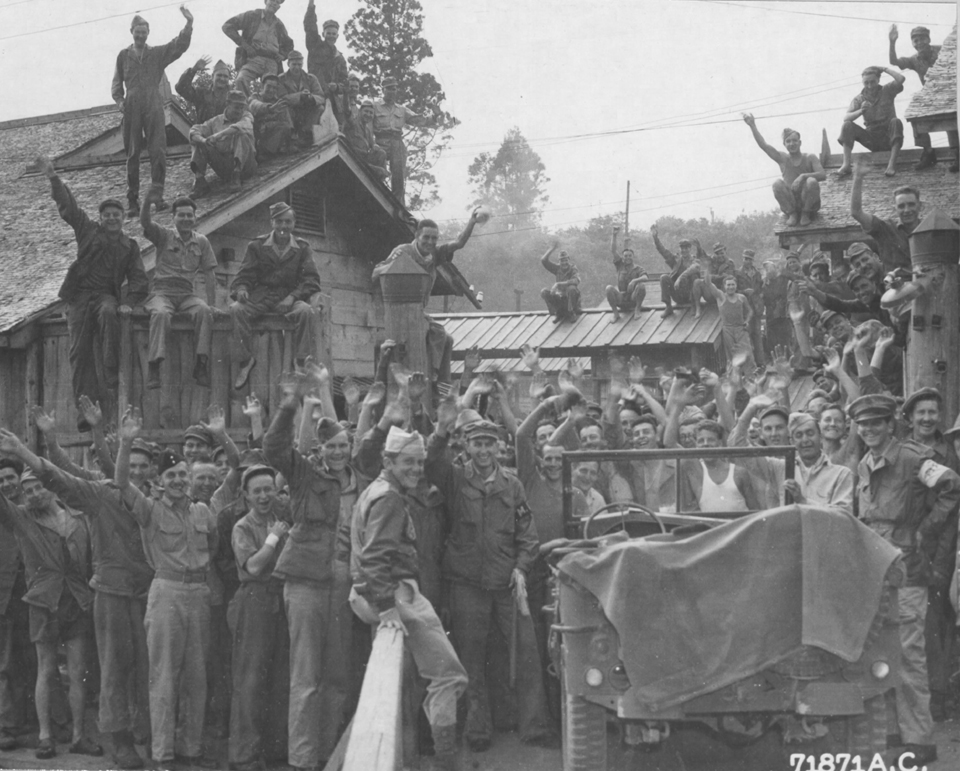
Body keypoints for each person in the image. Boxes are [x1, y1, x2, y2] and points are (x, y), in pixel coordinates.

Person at [20, 408, 154, 769]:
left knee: (148, 669)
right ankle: (118, 739)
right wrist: (44, 440)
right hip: (112, 593)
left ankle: (148, 734)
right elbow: (62, 475)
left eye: (144, 465)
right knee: (114, 669)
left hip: (149, 594)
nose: (137, 471)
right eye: (132, 463)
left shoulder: (155, 501)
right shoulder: (100, 493)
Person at [426, 413, 555, 752]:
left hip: (507, 583)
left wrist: (522, 568)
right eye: (477, 443)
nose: (483, 450)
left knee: (526, 653)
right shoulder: (455, 479)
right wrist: (441, 429)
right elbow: (430, 460)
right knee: (471, 656)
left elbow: (528, 535)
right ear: (467, 446)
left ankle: (534, 726)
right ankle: (477, 727)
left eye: (489, 444)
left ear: (499, 447)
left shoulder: (512, 485)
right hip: (467, 584)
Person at [849, 393, 960, 766]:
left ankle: (920, 739)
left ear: (890, 424)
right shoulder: (865, 463)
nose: (869, 430)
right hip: (875, 568)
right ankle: (895, 732)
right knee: (882, 651)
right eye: (863, 425)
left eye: (876, 423)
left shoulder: (913, 458)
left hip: (908, 569)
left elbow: (951, 486)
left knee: (910, 654)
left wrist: (924, 532)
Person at [349, 426, 468, 771]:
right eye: (408, 463)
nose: (416, 470)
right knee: (449, 676)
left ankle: (408, 758)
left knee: (398, 687)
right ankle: (447, 764)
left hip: (379, 592)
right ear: (388, 460)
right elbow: (374, 557)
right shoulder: (390, 497)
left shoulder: (378, 489)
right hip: (395, 593)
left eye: (420, 463)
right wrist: (388, 608)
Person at [262, 364, 354, 771]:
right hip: (304, 581)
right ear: (320, 449)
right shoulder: (303, 474)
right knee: (306, 678)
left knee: (335, 676)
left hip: (339, 582)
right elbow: (273, 450)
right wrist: (287, 408)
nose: (336, 452)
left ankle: (327, 754)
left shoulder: (355, 480)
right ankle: (302, 760)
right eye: (329, 447)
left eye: (342, 446)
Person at [115, 410, 219, 769]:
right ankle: (163, 754)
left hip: (199, 595)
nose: (178, 481)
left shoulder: (202, 511)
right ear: (159, 481)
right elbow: (121, 481)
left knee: (197, 675)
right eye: (171, 476)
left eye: (182, 475)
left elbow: (214, 549)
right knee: (163, 675)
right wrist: (127, 441)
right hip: (167, 593)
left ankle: (190, 747)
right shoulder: (149, 509)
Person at [0, 445, 100, 761]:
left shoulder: (77, 518)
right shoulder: (21, 517)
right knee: (45, 669)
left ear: (49, 487)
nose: (30, 493)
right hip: (43, 602)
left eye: (36, 486)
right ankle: (45, 737)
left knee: (77, 670)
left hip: (76, 600)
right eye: (25, 489)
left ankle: (78, 736)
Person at [37, 156, 148, 432]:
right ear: (101, 218)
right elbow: (70, 209)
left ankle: (111, 374)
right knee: (79, 353)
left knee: (111, 311)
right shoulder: (88, 231)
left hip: (105, 297)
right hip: (79, 297)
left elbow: (138, 279)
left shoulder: (129, 246)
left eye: (117, 215)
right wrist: (53, 178)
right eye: (107, 215)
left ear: (123, 219)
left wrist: (129, 303)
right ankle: (84, 411)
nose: (112, 218)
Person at [901, 388, 960, 723]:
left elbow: (949, 515)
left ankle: (936, 697)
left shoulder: (946, 453)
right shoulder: (902, 448)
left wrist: (938, 562)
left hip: (935, 547)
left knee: (933, 623)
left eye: (932, 413)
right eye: (920, 413)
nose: (926, 419)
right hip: (904, 545)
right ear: (909, 417)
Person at [227, 465, 290, 771]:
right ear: (246, 496)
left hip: (281, 598)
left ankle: (276, 751)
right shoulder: (243, 527)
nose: (265, 496)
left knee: (280, 677)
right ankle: (244, 756)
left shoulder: (282, 522)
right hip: (254, 600)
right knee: (250, 679)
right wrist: (274, 539)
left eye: (269, 489)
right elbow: (253, 566)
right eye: (258, 491)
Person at [371, 214, 481, 387]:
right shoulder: (403, 251)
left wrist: (472, 222)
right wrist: (393, 264)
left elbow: (458, 243)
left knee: (447, 339)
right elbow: (376, 272)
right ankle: (436, 375)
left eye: (434, 238)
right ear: (417, 236)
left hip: (419, 311)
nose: (430, 242)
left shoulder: (435, 255)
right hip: (401, 311)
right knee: (438, 334)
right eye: (426, 237)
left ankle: (441, 381)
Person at [229, 202, 323, 390]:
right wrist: (241, 289)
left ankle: (300, 361)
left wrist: (292, 297)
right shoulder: (256, 246)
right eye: (279, 221)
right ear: (272, 223)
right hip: (261, 297)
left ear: (293, 224)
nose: (283, 227)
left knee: (305, 311)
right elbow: (244, 276)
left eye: (287, 222)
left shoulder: (303, 248)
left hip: (289, 298)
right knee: (236, 309)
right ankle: (245, 361)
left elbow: (311, 280)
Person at [112, 8, 193, 217]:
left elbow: (178, 46)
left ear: (148, 33)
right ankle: (133, 201)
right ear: (132, 32)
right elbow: (116, 83)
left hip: (153, 103)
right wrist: (120, 101)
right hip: (132, 105)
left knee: (158, 150)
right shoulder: (123, 55)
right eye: (137, 32)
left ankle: (157, 196)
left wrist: (188, 25)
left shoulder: (156, 54)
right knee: (132, 154)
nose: (140, 35)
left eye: (144, 32)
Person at [140, 192, 217, 391]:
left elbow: (210, 274)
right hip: (162, 292)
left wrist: (212, 303)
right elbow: (145, 222)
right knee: (161, 314)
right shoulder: (164, 235)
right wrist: (148, 201)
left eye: (189, 215)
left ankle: (201, 363)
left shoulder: (201, 242)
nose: (186, 219)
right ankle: (154, 365)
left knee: (204, 311)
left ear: (195, 217)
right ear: (173, 217)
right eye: (181, 215)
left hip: (186, 294)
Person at [888, 24, 959, 172]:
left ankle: (957, 154)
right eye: (915, 40)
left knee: (950, 118)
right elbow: (894, 61)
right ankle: (928, 153)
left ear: (928, 39)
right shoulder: (914, 59)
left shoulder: (942, 51)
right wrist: (892, 42)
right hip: (931, 96)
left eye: (922, 39)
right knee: (915, 114)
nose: (919, 43)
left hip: (950, 92)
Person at [743, 115, 825, 227]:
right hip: (792, 203)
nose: (792, 144)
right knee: (777, 183)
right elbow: (764, 146)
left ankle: (805, 214)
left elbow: (822, 175)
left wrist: (803, 176)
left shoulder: (810, 157)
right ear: (784, 144)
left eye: (795, 141)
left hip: (809, 204)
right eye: (788, 141)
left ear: (800, 143)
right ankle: (793, 214)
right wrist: (752, 125)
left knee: (811, 181)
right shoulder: (783, 159)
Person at [836, 66, 906, 178]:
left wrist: (884, 69)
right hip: (872, 139)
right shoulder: (859, 98)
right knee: (847, 125)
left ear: (878, 80)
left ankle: (891, 165)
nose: (869, 86)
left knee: (896, 122)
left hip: (889, 136)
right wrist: (861, 111)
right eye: (866, 83)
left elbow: (901, 79)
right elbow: (846, 117)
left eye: (873, 82)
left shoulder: (887, 90)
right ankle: (846, 164)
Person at [850, 164, 922, 273]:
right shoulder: (885, 229)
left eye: (911, 204)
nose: (907, 210)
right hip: (896, 287)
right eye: (901, 206)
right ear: (895, 209)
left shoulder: (931, 229)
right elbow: (856, 212)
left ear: (919, 206)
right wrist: (858, 177)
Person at [374, 76, 435, 202]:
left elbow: (418, 120)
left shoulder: (401, 109)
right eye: (389, 88)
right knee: (378, 173)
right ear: (383, 90)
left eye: (394, 89)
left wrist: (434, 115)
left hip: (397, 141)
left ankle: (398, 206)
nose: (392, 91)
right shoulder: (375, 106)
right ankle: (377, 200)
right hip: (381, 141)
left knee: (399, 176)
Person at [781, 413, 854, 516]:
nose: (805, 440)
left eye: (810, 433)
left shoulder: (841, 474)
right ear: (792, 441)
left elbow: (843, 515)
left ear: (820, 437)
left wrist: (803, 501)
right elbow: (753, 461)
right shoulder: (782, 468)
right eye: (798, 435)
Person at [189, 90, 258, 196]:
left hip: (246, 168)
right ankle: (200, 181)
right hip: (224, 168)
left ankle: (237, 174)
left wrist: (217, 136)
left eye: (242, 107)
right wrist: (204, 140)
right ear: (227, 104)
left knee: (241, 134)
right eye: (236, 106)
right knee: (199, 141)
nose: (240, 110)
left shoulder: (247, 116)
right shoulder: (215, 121)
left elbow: (240, 127)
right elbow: (194, 131)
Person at [223, 0, 293, 97]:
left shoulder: (279, 25)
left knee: (274, 89)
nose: (274, 3)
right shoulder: (251, 16)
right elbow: (227, 26)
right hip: (253, 59)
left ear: (279, 7)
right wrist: (245, 46)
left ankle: (267, 109)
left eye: (277, 2)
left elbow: (289, 44)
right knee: (241, 80)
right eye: (272, 0)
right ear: (265, 1)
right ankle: (244, 108)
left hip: (272, 61)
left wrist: (282, 55)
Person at [697, 268, 756, 373]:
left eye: (733, 284)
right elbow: (709, 284)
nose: (730, 287)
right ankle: (735, 378)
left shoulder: (741, 297)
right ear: (724, 286)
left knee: (748, 353)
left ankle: (751, 377)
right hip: (728, 330)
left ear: (736, 285)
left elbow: (750, 311)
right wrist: (706, 269)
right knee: (732, 356)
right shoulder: (721, 296)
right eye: (728, 285)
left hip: (741, 329)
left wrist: (747, 321)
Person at [303, 2, 349, 124]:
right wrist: (311, 6)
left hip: (333, 99)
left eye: (334, 34)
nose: (331, 36)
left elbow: (345, 82)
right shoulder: (315, 46)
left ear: (337, 36)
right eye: (328, 33)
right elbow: (310, 26)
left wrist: (337, 86)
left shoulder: (340, 58)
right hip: (316, 93)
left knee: (340, 126)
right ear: (323, 34)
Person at [277, 51, 325, 147]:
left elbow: (321, 96)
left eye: (299, 64)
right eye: (294, 64)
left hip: (306, 110)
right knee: (283, 106)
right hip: (290, 111)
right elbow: (281, 97)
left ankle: (306, 134)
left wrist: (310, 98)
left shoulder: (311, 79)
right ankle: (290, 136)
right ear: (288, 64)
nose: (297, 67)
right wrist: (300, 96)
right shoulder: (281, 79)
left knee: (320, 108)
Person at [651, 225, 696, 316]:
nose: (684, 250)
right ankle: (668, 306)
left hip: (690, 295)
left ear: (690, 249)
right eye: (682, 248)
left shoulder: (694, 260)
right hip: (678, 294)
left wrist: (681, 278)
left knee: (696, 277)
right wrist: (655, 238)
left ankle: (694, 306)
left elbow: (695, 268)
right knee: (664, 277)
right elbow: (663, 251)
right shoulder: (676, 260)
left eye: (686, 248)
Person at [605, 226, 647, 322]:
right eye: (625, 256)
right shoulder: (620, 266)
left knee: (641, 286)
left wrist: (635, 280)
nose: (627, 258)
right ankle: (616, 314)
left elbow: (645, 277)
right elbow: (613, 250)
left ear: (633, 257)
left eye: (630, 256)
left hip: (633, 298)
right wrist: (614, 235)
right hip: (621, 298)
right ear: (623, 257)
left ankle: (637, 310)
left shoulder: (638, 268)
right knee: (608, 288)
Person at [176, 57, 232, 125]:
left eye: (226, 76)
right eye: (219, 75)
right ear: (212, 76)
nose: (222, 79)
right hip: (203, 134)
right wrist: (193, 70)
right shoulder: (202, 94)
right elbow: (181, 88)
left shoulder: (233, 97)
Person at [249, 74, 294, 157]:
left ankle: (269, 152)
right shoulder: (255, 97)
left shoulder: (278, 102)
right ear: (262, 86)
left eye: (274, 88)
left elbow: (287, 124)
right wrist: (269, 108)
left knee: (284, 126)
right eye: (268, 86)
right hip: (256, 135)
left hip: (270, 137)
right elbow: (254, 105)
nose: (271, 90)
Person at [539, 243, 581, 323]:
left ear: (569, 260)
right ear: (559, 261)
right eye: (562, 260)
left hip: (572, 301)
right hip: (561, 299)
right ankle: (558, 313)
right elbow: (544, 260)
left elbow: (575, 281)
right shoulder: (557, 269)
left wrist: (558, 284)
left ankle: (571, 313)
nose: (564, 263)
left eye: (566, 260)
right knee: (544, 292)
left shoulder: (573, 269)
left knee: (571, 288)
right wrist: (552, 248)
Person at [344, 99, 388, 173]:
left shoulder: (368, 130)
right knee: (381, 172)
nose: (368, 114)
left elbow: (372, 144)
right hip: (353, 158)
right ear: (360, 111)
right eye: (366, 111)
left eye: (371, 113)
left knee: (382, 153)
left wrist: (375, 146)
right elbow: (347, 111)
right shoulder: (352, 122)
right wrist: (346, 94)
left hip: (365, 159)